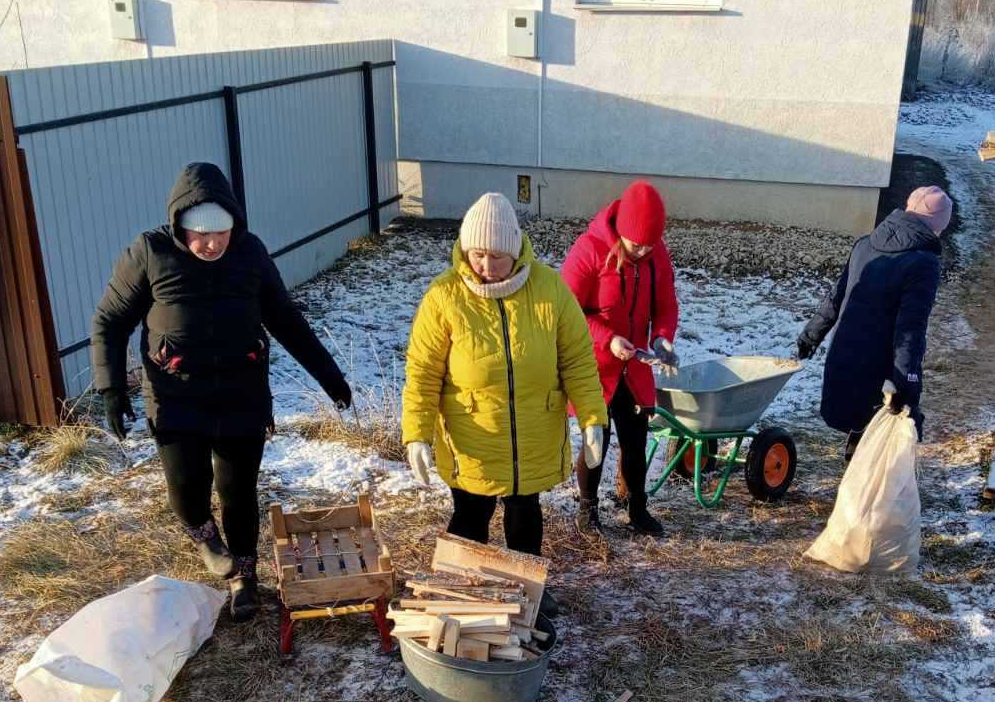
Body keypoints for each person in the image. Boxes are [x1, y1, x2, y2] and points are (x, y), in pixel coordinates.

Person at [90, 162, 351, 621]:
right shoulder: (149, 253)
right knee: (186, 491)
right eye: (200, 235)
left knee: (238, 492)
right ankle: (208, 542)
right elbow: (110, 321)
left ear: (235, 225)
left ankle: (243, 578)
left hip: (241, 395)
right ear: (180, 226)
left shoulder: (250, 253)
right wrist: (111, 388)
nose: (211, 244)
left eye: (221, 233)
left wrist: (329, 377)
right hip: (176, 398)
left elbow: (286, 320)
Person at [401, 192, 607, 612]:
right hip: (472, 436)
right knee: (470, 517)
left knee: (525, 514)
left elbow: (579, 363)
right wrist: (416, 435)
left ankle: (526, 594)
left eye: (497, 257)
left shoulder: (550, 291)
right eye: (478, 254)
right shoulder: (444, 297)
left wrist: (592, 418)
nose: (487, 267)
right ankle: (461, 596)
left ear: (515, 252)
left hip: (532, 434)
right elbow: (422, 373)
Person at [560, 180, 678, 537]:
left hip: (635, 365)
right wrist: (607, 339)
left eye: (650, 244)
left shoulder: (657, 255)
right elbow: (567, 311)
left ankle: (637, 508)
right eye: (636, 244)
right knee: (597, 437)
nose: (643, 251)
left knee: (636, 439)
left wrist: (662, 339)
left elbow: (666, 305)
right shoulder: (589, 250)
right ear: (621, 229)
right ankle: (587, 511)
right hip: (594, 366)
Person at [796, 185, 952, 454]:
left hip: (843, 356)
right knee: (882, 433)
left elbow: (835, 297)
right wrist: (907, 385)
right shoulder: (923, 264)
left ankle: (856, 467)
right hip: (878, 369)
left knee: (860, 426)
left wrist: (811, 335)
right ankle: (866, 486)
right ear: (935, 225)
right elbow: (910, 331)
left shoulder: (865, 244)